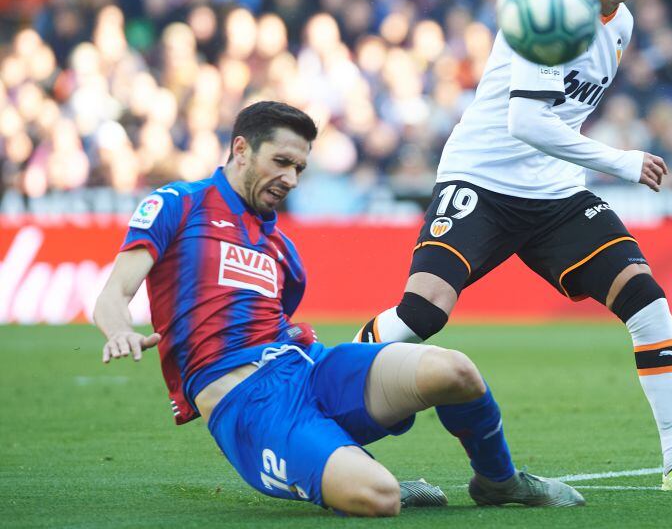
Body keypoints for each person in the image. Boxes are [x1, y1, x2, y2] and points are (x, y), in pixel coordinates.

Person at [354, 0, 672, 495]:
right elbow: (524, 122)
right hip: (480, 179)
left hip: (555, 196)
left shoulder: (624, 24)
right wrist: (622, 162)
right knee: (421, 315)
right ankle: (337, 393)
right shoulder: (550, 2)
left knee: (647, 300)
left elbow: (560, 119)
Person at [93, 100, 584, 516]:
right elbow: (112, 294)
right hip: (248, 405)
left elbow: (275, 323)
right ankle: (358, 472)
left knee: (455, 371)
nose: (290, 178)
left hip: (306, 369)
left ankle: (500, 483)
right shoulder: (180, 203)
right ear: (241, 148)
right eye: (281, 162)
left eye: (299, 168)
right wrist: (119, 330)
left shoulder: (282, 249)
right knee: (382, 497)